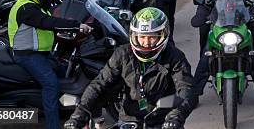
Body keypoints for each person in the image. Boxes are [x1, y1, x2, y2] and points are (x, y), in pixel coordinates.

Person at [64, 8, 193, 129]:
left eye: (152, 37)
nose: (146, 43)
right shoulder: (122, 54)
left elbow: (186, 89)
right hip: (129, 120)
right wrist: (79, 114)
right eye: (142, 37)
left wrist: (176, 116)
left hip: (163, 121)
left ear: (163, 35)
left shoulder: (175, 57)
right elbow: (99, 84)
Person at [9, 0, 92, 129]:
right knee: (51, 84)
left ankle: (67, 113)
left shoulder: (35, 4)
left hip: (42, 53)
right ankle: (53, 125)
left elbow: (56, 11)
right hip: (27, 55)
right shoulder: (26, 9)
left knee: (65, 73)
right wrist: (76, 25)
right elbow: (47, 22)